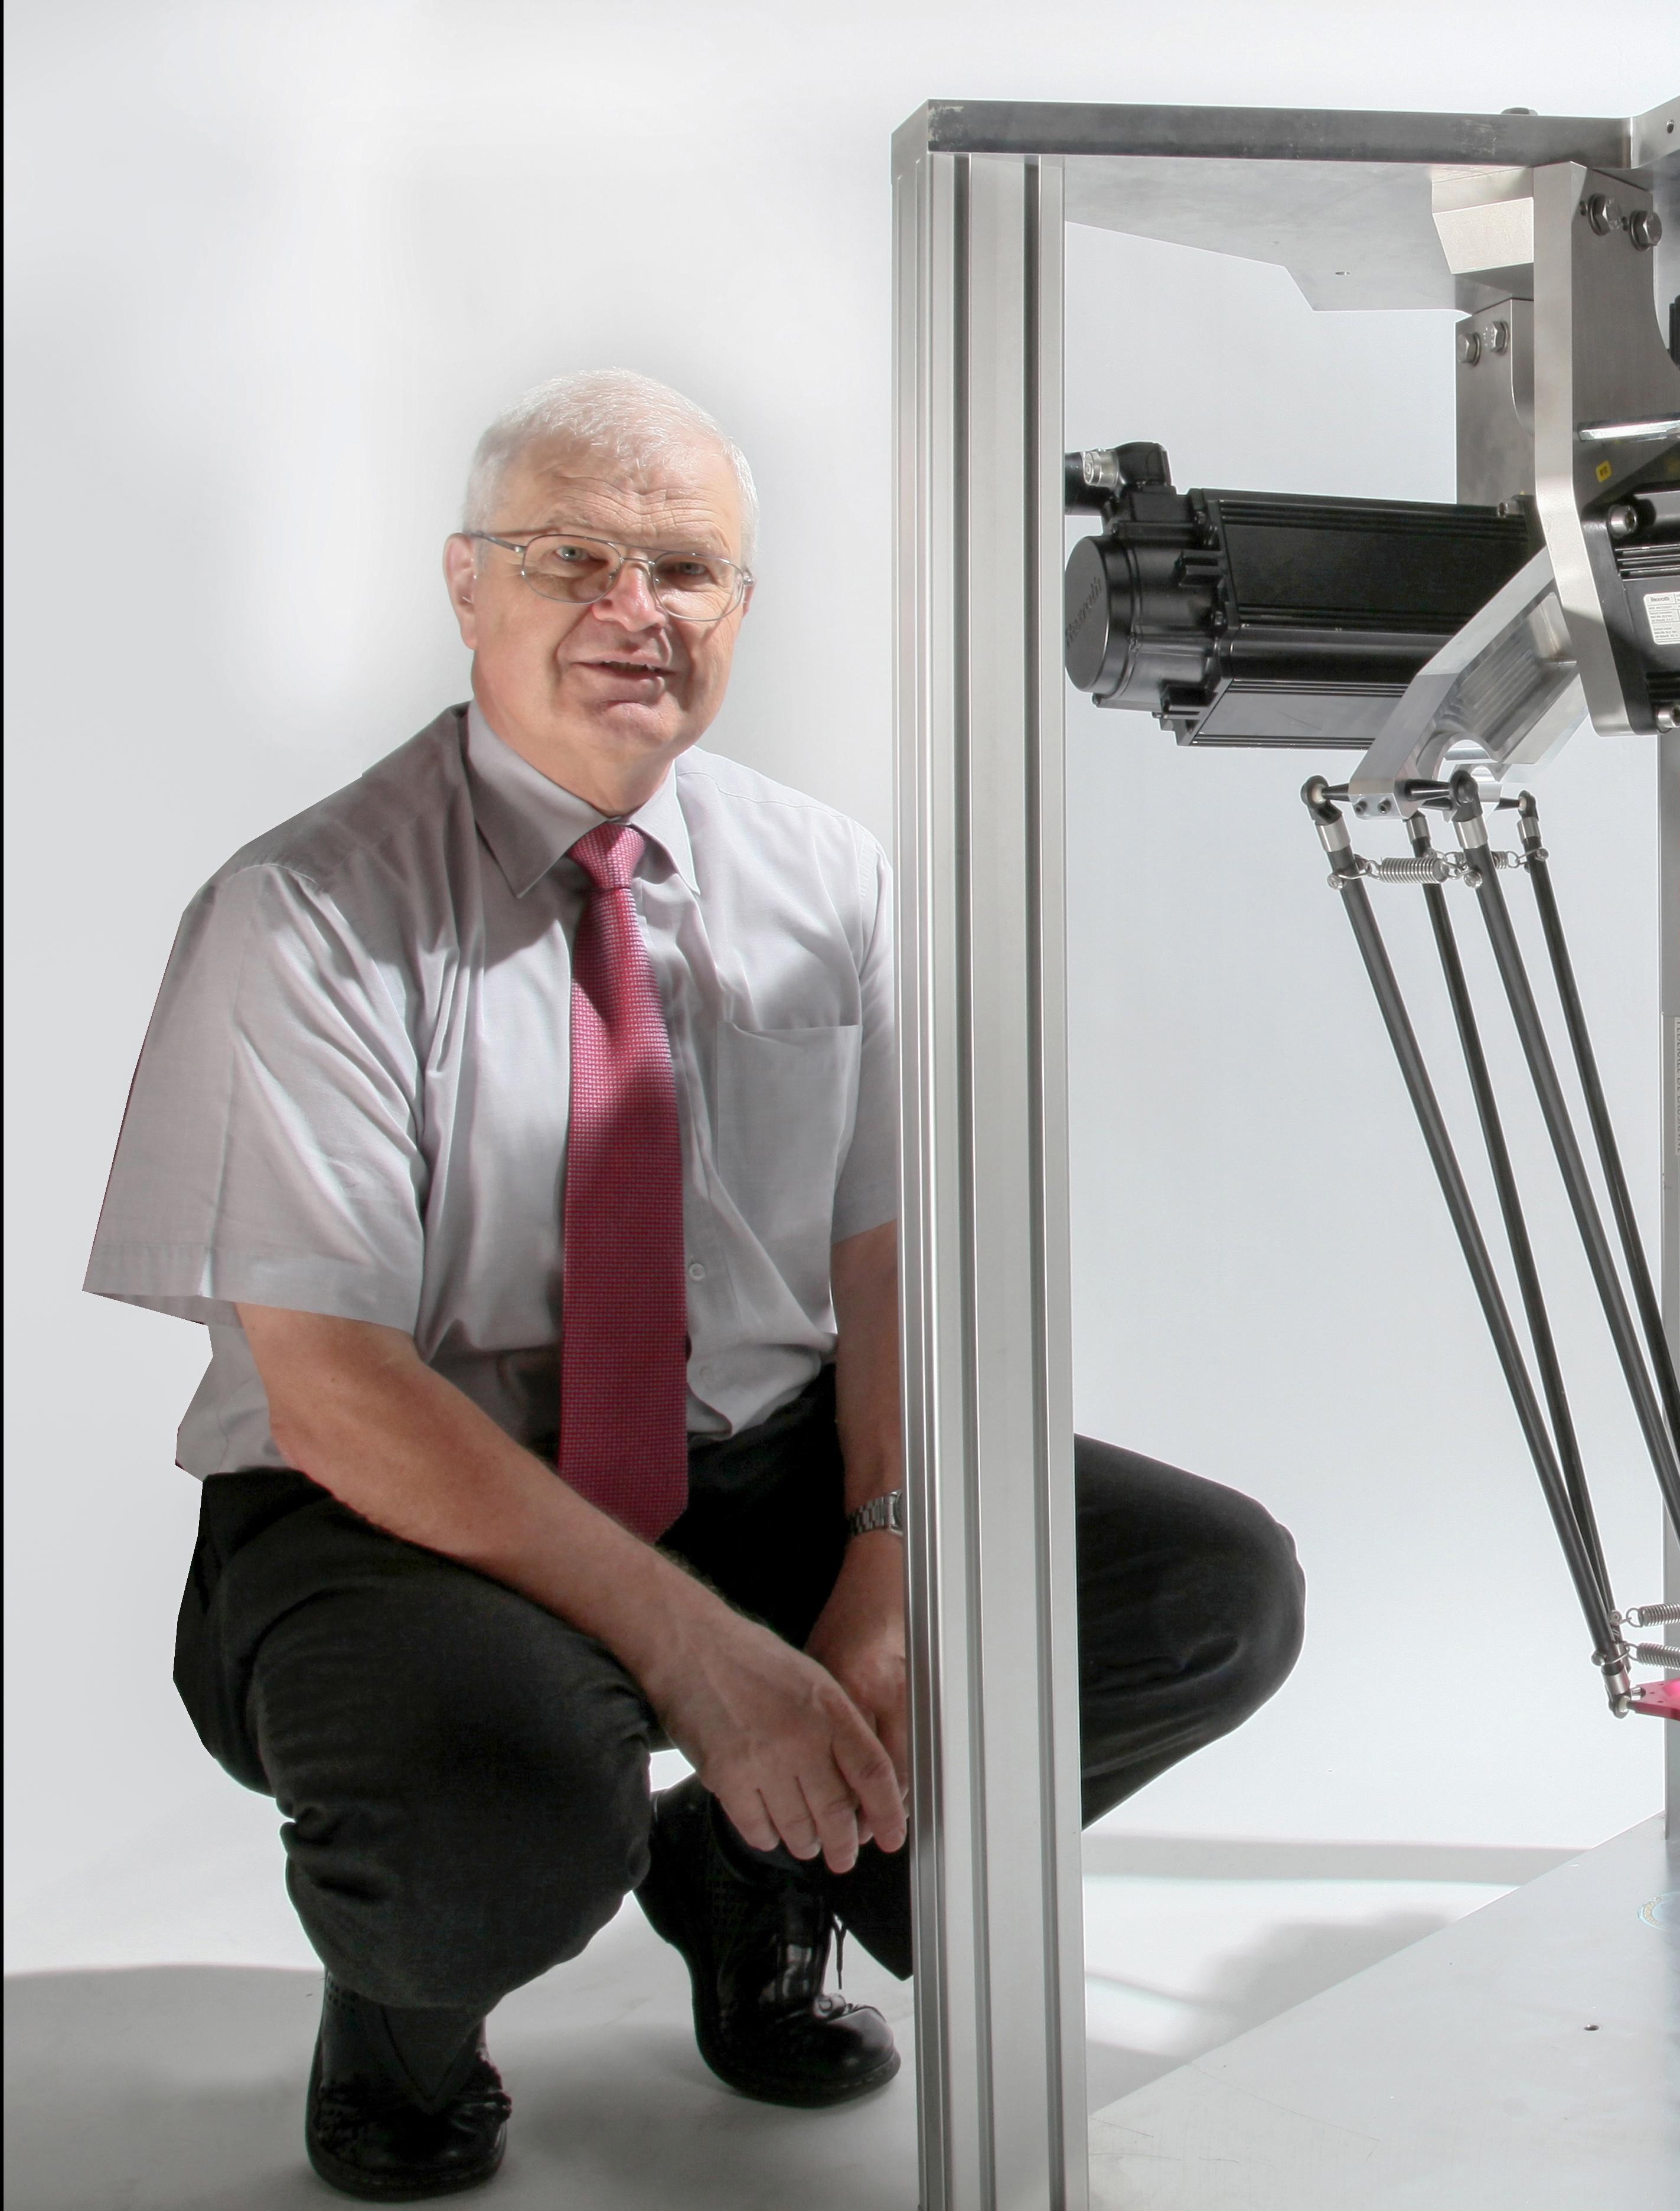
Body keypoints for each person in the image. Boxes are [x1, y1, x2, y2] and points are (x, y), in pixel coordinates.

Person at [84, 369, 1305, 2201]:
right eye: (571, 557)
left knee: (1203, 1593)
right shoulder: (310, 911)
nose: (633, 609)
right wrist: (706, 1658)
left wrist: (884, 1563)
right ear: (466, 583)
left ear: (742, 605)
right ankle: (408, 2021)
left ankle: (750, 1874)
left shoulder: (824, 878)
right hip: (405, 1502)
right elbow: (331, 1383)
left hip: (754, 1458)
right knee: (488, 1819)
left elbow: (884, 1256)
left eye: (685, 568)